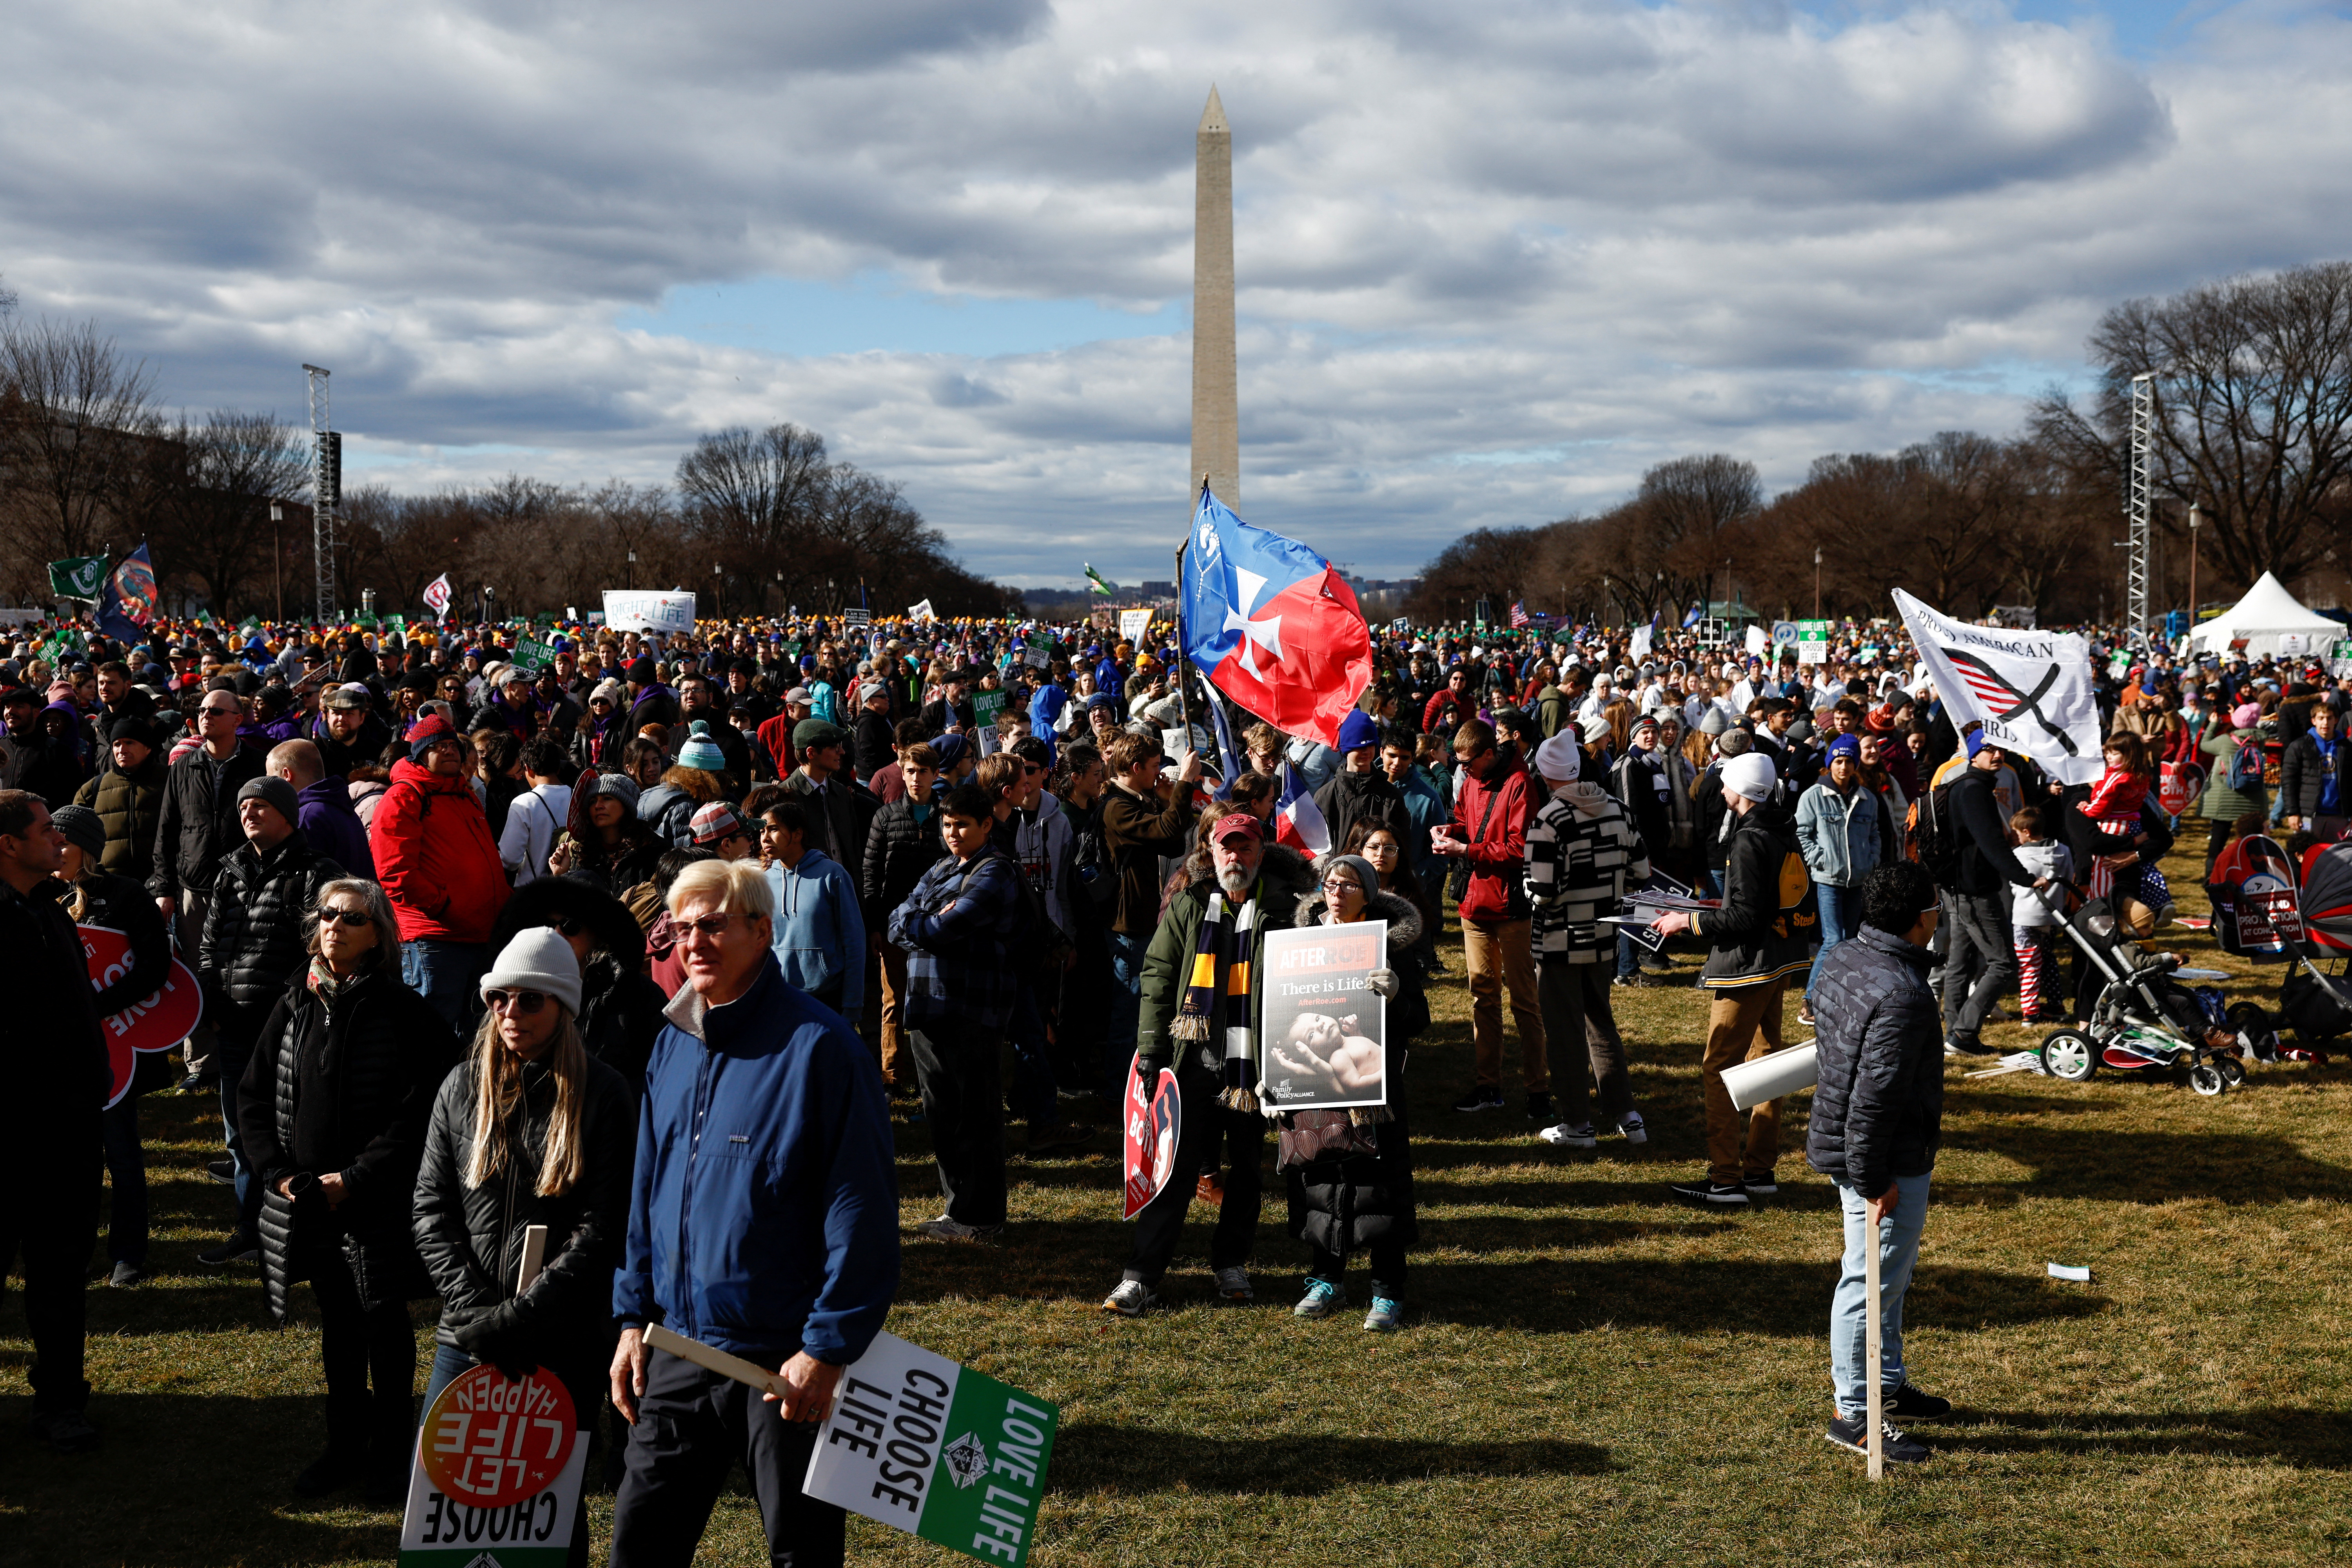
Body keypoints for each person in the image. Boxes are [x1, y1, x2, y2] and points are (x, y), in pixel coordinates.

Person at [608, 859, 898, 1568]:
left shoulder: (823, 1049)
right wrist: (630, 1319)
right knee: (638, 1546)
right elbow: (647, 1191)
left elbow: (860, 1210)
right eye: (681, 930)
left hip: (783, 1365)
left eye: (713, 926)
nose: (694, 944)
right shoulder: (672, 1041)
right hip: (677, 1348)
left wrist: (827, 1349)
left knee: (800, 1553)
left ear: (762, 931)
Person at [413, 930, 636, 1568]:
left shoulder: (604, 1093)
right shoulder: (459, 1088)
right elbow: (431, 1208)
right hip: (467, 1338)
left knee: (545, 1510)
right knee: (450, 1505)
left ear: (563, 1007)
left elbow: (603, 1225)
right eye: (499, 999)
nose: (511, 1014)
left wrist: (524, 1318)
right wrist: (480, 1314)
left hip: (562, 1340)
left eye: (530, 1001)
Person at [240, 878, 459, 1501]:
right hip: (306, 1200)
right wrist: (278, 1173)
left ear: (378, 936)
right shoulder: (294, 1002)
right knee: (339, 1327)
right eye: (327, 915)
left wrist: (358, 1178)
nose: (334, 925)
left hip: (378, 1203)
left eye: (352, 918)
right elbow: (255, 1095)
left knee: (385, 1330)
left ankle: (392, 1460)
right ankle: (343, 1448)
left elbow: (427, 1110)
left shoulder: (403, 1011)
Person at [1102, 809, 1295, 1314]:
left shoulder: (1288, 909)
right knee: (1175, 1171)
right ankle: (1142, 1276)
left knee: (1248, 1171)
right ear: (1210, 850)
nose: (1235, 856)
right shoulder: (1190, 903)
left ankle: (1231, 1261)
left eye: (1246, 847)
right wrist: (1150, 1048)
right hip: (1194, 1061)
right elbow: (1159, 974)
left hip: (1255, 1069)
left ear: (1261, 851)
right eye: (1226, 846)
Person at [1807, 860, 1954, 1465]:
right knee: (1869, 1283)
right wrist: (1875, 1181)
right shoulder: (1904, 994)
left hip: (1861, 1145)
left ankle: (1885, 1384)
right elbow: (1876, 1094)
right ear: (1921, 919)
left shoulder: (1843, 955)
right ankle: (1854, 1412)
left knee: (1887, 1280)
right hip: (1881, 1159)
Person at [1650, 751, 1813, 1206]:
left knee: (1719, 1069)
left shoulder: (1748, 840)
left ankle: (1725, 1177)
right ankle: (1759, 1169)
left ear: (1740, 791)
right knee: (1768, 1066)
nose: (1720, 789)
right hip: (1778, 961)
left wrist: (1689, 924)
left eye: (1726, 783)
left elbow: (1743, 917)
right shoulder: (1783, 828)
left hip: (1748, 967)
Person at [197, 776, 347, 1266]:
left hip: (288, 1025)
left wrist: (296, 1010)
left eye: (261, 806)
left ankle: (298, 1232)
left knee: (294, 1133)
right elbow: (210, 944)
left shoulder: (315, 872)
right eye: (244, 807)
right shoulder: (228, 872)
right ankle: (250, 1228)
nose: (249, 814)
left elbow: (322, 948)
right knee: (242, 1132)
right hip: (233, 1023)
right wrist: (211, 1004)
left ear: (287, 815)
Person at [0, 791, 110, 1452]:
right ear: (9, 844)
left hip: (66, 1131)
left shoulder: (48, 907)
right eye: (46, 831)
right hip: (10, 1130)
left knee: (62, 1272)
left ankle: (61, 1400)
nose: (59, 841)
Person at [1285, 853, 1421, 1331]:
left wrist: (1397, 994)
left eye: (1347, 885)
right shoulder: (1299, 943)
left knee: (1378, 1185)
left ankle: (1386, 1291)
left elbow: (1417, 1019)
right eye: (1330, 883)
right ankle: (1326, 1278)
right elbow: (1279, 1006)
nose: (1336, 892)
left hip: (1374, 1089)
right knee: (1320, 1179)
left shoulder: (1385, 944)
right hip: (1316, 1093)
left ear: (1369, 893)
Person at [886, 783, 1024, 1240]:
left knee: (976, 1114)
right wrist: (922, 920)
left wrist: (922, 921)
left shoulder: (996, 871)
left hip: (972, 1008)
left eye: (962, 824)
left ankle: (982, 1216)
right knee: (941, 1113)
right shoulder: (945, 865)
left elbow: (948, 927)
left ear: (987, 824)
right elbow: (897, 919)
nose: (952, 832)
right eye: (947, 824)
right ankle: (957, 1209)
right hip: (928, 1005)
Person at [53, 804, 171, 1288]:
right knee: (68, 1158)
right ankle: (72, 1252)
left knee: (120, 1152)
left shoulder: (125, 895)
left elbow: (154, 966)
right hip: (58, 1051)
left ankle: (128, 1254)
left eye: (62, 840)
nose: (54, 849)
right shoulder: (39, 895)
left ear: (88, 848)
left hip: (115, 1049)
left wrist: (97, 1006)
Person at [1523, 733, 1650, 1149]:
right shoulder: (1619, 810)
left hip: (1559, 940)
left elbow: (1542, 890)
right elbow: (1641, 875)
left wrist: (1530, 889)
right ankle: (1627, 1114)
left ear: (1546, 774)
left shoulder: (1549, 820)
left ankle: (1577, 1123)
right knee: (1602, 1024)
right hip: (1603, 937)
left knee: (1565, 1033)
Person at [1430, 719, 1548, 1120]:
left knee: (1525, 1003)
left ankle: (1538, 1091)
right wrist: (1450, 831)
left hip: (1510, 906)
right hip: (1474, 906)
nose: (1462, 769)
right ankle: (1488, 1087)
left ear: (1487, 753)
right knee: (1483, 997)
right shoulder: (1470, 780)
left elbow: (1520, 848)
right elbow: (1465, 818)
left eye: (1468, 762)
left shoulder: (1520, 783)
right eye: (1459, 762)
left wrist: (1465, 848)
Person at [150, 684, 265, 1087]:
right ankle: (201, 1063)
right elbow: (166, 832)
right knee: (197, 977)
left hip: (245, 888)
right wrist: (164, 887)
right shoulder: (183, 767)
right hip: (193, 890)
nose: (206, 715)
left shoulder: (257, 765)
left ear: (238, 718)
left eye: (216, 710)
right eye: (202, 710)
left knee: (244, 972)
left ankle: (249, 1054)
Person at [372, 711, 511, 1027]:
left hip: (479, 936)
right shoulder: (404, 796)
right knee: (432, 1035)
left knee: (474, 1033)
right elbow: (395, 873)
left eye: (452, 745)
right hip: (435, 940)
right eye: (437, 747)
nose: (449, 751)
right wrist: (443, 906)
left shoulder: (465, 795)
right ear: (421, 755)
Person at [486, 876, 670, 1091]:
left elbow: (663, 1073)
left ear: (598, 932)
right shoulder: (511, 991)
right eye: (545, 925)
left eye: (571, 926)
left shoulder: (636, 992)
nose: (556, 934)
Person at [1100, 731, 1201, 1094]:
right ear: (1135, 768)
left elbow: (1173, 840)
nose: (1161, 774)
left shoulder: (1137, 800)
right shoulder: (1117, 807)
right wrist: (1185, 784)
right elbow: (1168, 830)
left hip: (1143, 918)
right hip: (1127, 924)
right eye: (1156, 767)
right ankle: (1117, 1089)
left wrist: (1163, 800)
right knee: (1130, 1009)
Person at [1942, 733, 2049, 1056]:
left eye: (2000, 748)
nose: (1997, 754)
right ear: (1974, 755)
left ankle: (1954, 1033)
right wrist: (2026, 878)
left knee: (1960, 962)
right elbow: (1992, 844)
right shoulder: (1974, 790)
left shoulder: (1969, 785)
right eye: (1988, 749)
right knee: (2003, 963)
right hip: (1974, 891)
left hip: (1959, 888)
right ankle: (1963, 1033)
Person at [861, 741, 944, 1094]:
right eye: (910, 771)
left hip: (937, 925)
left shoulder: (947, 816)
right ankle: (892, 1074)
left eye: (923, 771)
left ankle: (937, 1075)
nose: (915, 778)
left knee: (936, 998)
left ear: (935, 775)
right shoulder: (886, 816)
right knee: (893, 1000)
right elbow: (871, 873)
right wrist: (875, 925)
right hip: (894, 925)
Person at [1795, 734, 1884, 1025]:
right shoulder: (1813, 796)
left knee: (1850, 941)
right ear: (1829, 763)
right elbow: (1802, 834)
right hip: (1829, 879)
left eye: (1848, 762)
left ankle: (1839, 994)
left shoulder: (1867, 799)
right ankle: (1810, 999)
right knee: (1832, 940)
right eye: (1838, 761)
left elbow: (1875, 834)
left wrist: (1871, 861)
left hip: (1858, 880)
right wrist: (1819, 859)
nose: (1843, 767)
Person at [759, 798, 867, 1020]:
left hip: (827, 998)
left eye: (773, 830)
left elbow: (854, 941)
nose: (765, 838)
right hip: (779, 997)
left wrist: (853, 1004)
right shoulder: (764, 881)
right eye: (762, 832)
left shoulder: (832, 875)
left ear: (797, 835)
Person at [267, 737, 374, 880]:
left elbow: (300, 883)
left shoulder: (307, 817)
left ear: (287, 775)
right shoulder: (342, 808)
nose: (269, 786)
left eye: (271, 777)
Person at [548, 770, 666, 895]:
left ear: (626, 806)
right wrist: (561, 875)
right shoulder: (583, 852)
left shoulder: (652, 849)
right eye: (593, 801)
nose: (598, 806)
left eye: (607, 799)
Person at [2007, 804, 2073, 1024]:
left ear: (2026, 832)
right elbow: (2068, 879)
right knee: (2047, 959)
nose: (2016, 837)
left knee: (2028, 964)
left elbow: (2013, 883)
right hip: (2051, 915)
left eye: (2017, 833)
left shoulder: (2018, 855)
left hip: (2025, 917)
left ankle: (2030, 1011)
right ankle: (2057, 1005)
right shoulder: (2063, 850)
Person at [1311, 709, 1407, 854]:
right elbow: (1316, 847)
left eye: (1370, 745)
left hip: (1380, 875)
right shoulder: (1326, 796)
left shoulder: (1392, 795)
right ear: (1346, 749)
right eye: (1360, 746)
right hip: (1339, 874)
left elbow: (1402, 845)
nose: (1366, 751)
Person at [498, 736, 575, 888]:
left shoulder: (523, 803)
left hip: (533, 891)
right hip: (573, 886)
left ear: (529, 769)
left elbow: (510, 860)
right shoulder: (578, 796)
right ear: (558, 768)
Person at [2280, 701, 2348, 842]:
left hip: (2339, 815)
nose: (2326, 723)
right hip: (2309, 814)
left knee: (2338, 858)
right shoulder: (2299, 746)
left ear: (2336, 720)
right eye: (2321, 718)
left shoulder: (2346, 748)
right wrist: (2292, 812)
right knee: (2307, 856)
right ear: (2313, 721)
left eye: (2330, 718)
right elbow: (2289, 781)